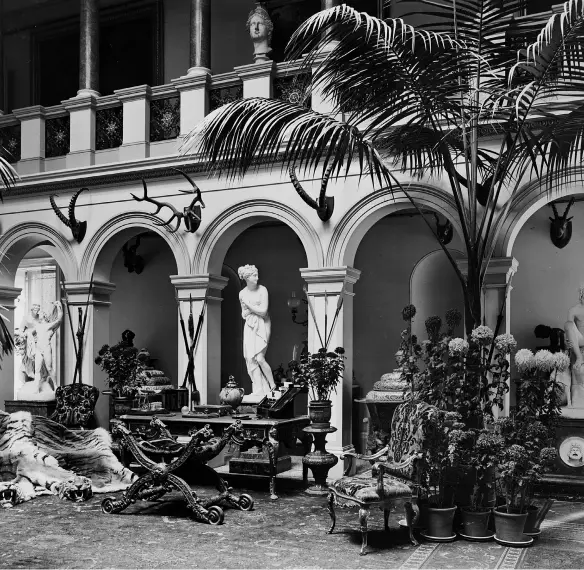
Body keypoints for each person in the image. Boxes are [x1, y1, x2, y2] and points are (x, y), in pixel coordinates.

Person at [238, 264, 276, 401]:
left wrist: (249, 305)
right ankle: (259, 390)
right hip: (249, 325)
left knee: (260, 358)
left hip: (263, 324)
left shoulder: (262, 290)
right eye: (254, 275)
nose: (257, 277)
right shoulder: (242, 293)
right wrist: (254, 308)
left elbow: (264, 311)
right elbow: (244, 314)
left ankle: (272, 386)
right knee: (250, 358)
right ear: (247, 278)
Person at [17, 301, 63, 401]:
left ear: (44, 317)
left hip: (46, 348)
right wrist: (24, 336)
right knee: (37, 370)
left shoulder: (49, 326)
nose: (40, 314)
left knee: (49, 368)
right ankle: (36, 389)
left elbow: (59, 320)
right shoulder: (37, 326)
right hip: (38, 350)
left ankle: (56, 387)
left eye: (41, 313)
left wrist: (59, 307)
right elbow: (28, 333)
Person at [564, 285, 584, 407]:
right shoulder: (574, 310)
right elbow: (570, 332)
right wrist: (568, 341)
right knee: (568, 324)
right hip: (581, 341)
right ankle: (579, 357)